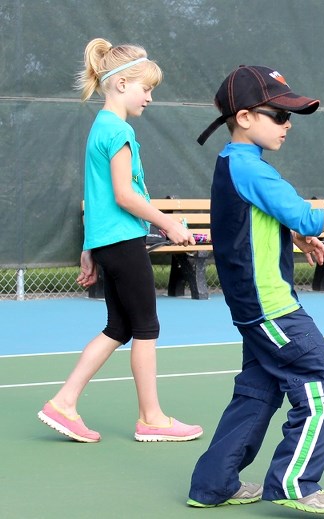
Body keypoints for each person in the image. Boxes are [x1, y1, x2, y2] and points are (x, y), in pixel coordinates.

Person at [187, 65, 324, 514]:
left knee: (257, 390)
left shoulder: (235, 163)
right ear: (245, 117)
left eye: (291, 118)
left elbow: (260, 222)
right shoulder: (252, 169)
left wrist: (299, 238)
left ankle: (213, 483)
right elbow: (305, 215)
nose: (288, 126)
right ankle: (295, 483)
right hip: (271, 307)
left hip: (252, 304)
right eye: (279, 116)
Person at [36, 38, 203, 444]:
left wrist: (90, 248)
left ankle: (64, 403)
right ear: (121, 84)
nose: (149, 97)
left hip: (109, 242)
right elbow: (123, 195)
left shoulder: (100, 128)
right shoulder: (119, 130)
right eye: (145, 88)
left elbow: (96, 196)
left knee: (119, 326)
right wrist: (169, 224)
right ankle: (152, 419)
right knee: (146, 327)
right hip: (125, 242)